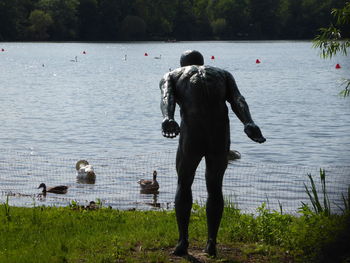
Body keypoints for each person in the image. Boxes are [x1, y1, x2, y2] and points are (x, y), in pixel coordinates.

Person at [160, 50, 266, 257]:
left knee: (184, 183)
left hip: (192, 133)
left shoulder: (173, 75)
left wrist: (167, 118)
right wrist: (248, 122)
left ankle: (183, 242)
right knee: (215, 187)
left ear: (182, 63)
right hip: (219, 133)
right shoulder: (222, 74)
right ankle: (211, 243)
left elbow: (167, 98)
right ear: (203, 63)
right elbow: (238, 99)